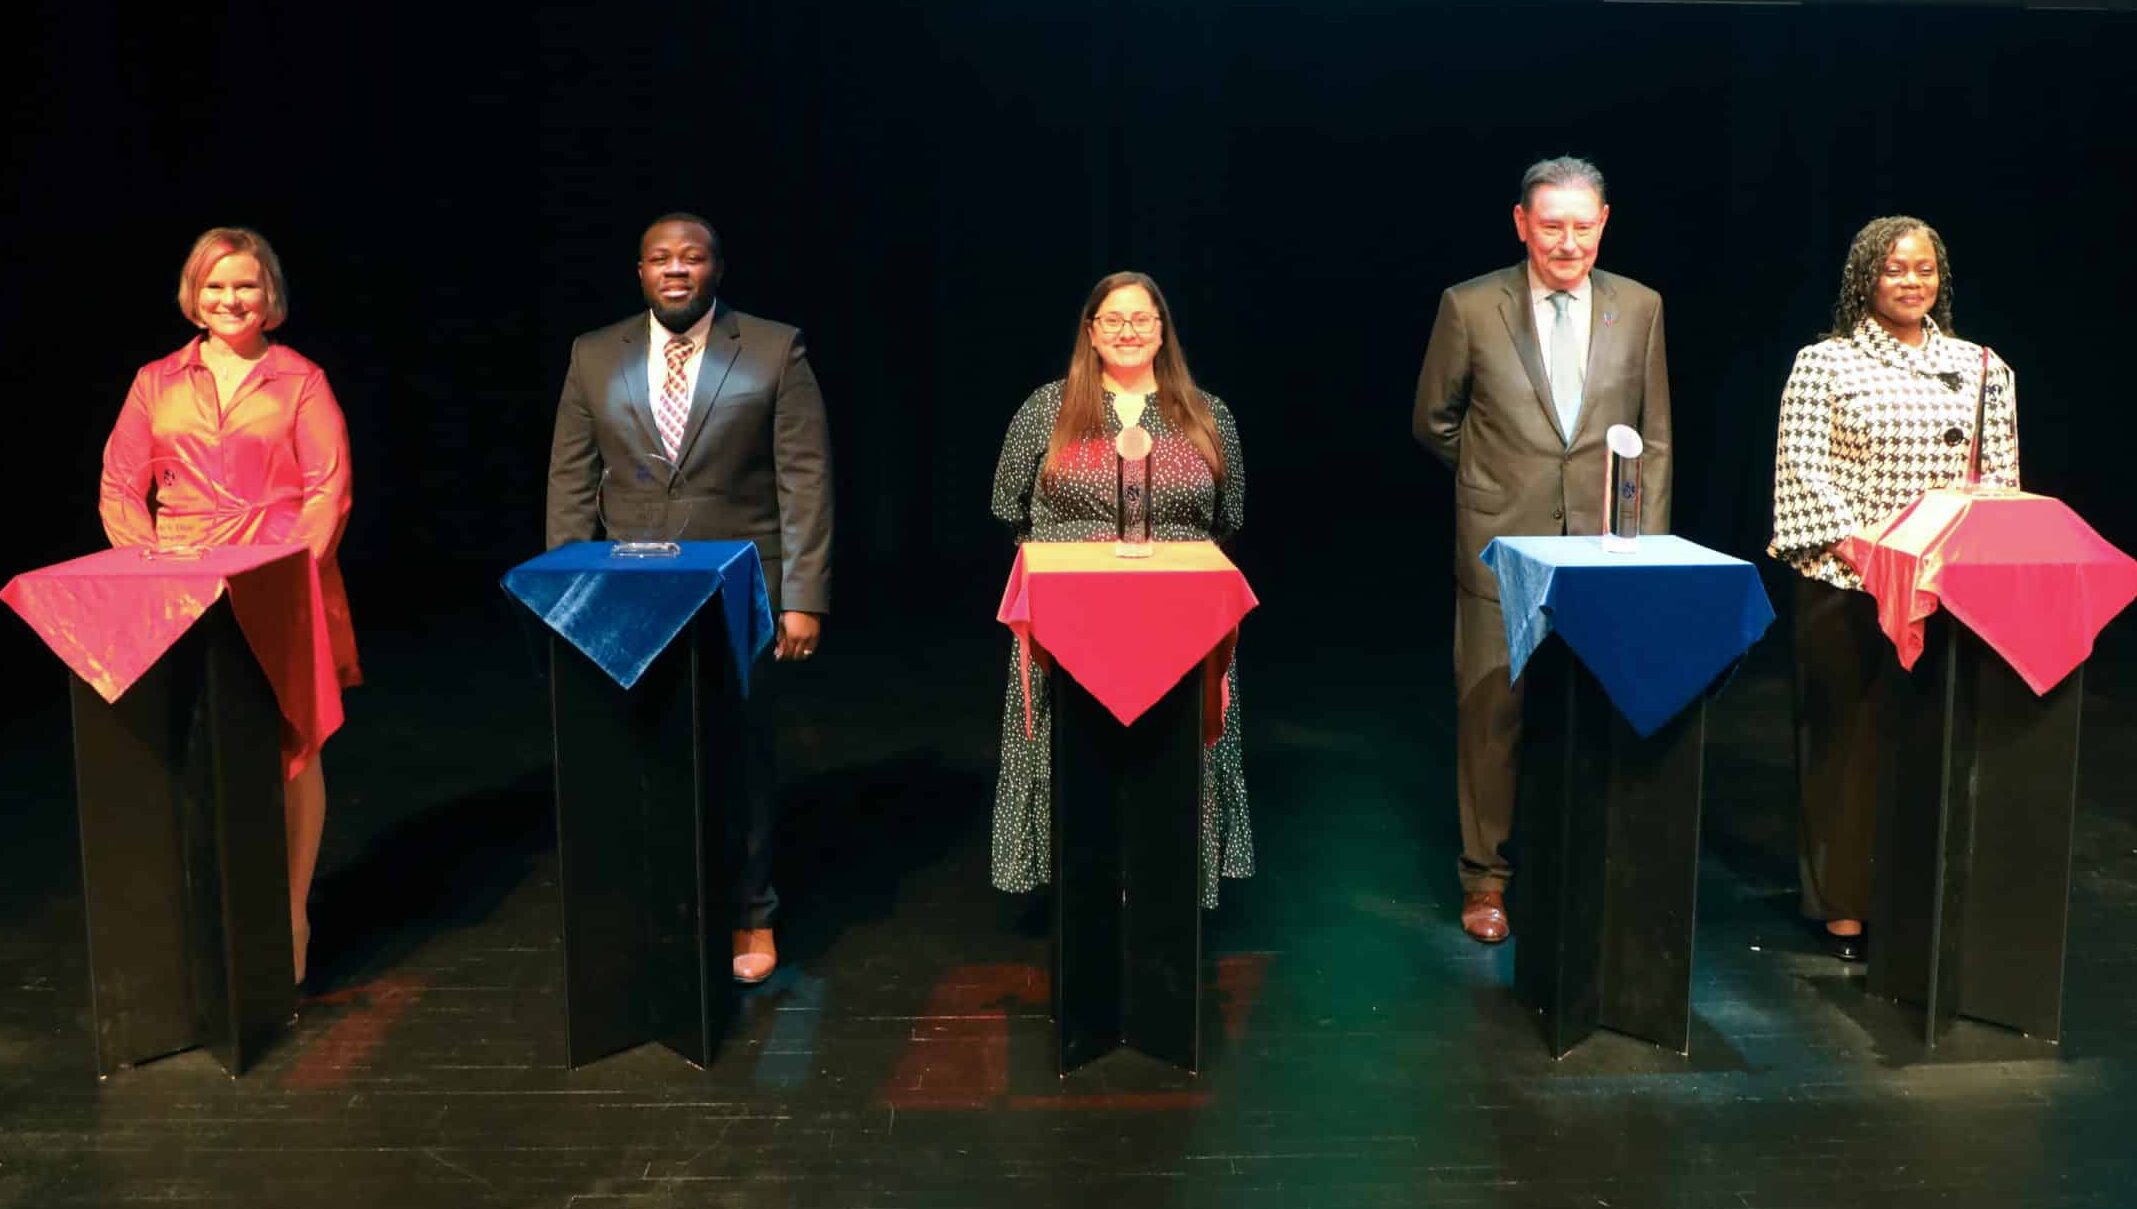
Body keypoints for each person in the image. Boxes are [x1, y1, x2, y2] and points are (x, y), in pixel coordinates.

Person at [546, 212, 832, 984]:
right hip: (628, 596)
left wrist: (802, 596)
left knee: (739, 755)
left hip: (743, 593)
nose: (677, 269)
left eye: (692, 257)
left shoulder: (775, 347)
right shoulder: (593, 353)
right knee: (642, 749)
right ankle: (660, 905)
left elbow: (803, 480)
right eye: (661, 258)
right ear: (640, 270)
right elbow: (572, 483)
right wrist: (567, 597)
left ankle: (750, 912)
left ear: (715, 269)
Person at [1412, 156, 1672, 944]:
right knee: (1493, 715)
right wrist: (1496, 479)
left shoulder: (1639, 306)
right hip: (1500, 546)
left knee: (1599, 708)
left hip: (1605, 550)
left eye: (1581, 226)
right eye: (1550, 225)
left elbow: (1652, 437)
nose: (1567, 242)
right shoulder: (1469, 306)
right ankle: (1485, 880)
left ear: (1603, 223)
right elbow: (1434, 420)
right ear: (1521, 224)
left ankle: (1590, 869)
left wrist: (1645, 549)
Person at [98, 226, 361, 986]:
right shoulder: (155, 380)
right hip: (178, 585)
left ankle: (291, 913)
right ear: (194, 294)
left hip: (277, 578)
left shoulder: (301, 379)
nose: (230, 299)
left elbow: (328, 488)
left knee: (292, 746)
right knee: (192, 744)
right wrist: (148, 566)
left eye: (244, 284)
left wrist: (288, 574)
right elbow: (120, 485)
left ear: (268, 293)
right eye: (215, 285)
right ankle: (203, 914)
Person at [1768, 215, 2019, 962]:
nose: (1910, 282)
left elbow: (2001, 477)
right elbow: (1802, 474)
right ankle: (1843, 906)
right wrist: (1875, 553)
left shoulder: (1981, 368)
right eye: (1893, 269)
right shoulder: (1825, 364)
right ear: (1863, 279)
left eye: (1923, 269)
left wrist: (1949, 556)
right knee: (1847, 749)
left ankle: (1916, 897)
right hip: (1850, 585)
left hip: (1946, 586)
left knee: (1930, 746)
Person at [989, 270, 1251, 908]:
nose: (1128, 332)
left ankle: (1170, 881)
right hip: (1070, 621)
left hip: (1180, 620)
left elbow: (1230, 515)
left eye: (1142, 319)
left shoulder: (1206, 411)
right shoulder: (1047, 408)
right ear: (1090, 331)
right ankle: (1083, 884)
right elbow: (1007, 504)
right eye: (1113, 319)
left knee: (1171, 755)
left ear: (1163, 331)